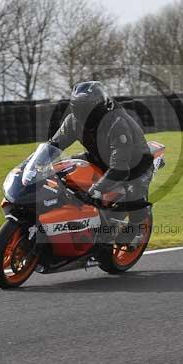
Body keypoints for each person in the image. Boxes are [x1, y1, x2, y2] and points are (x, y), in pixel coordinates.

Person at [49, 81, 154, 243]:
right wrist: (37, 165)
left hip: (135, 165)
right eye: (78, 106)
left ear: (98, 105)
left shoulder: (116, 124)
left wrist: (96, 190)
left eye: (87, 107)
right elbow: (53, 146)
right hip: (99, 157)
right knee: (62, 168)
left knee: (134, 193)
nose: (83, 112)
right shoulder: (72, 122)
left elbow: (120, 168)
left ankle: (136, 229)